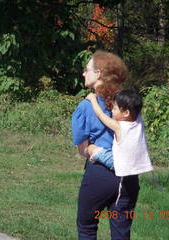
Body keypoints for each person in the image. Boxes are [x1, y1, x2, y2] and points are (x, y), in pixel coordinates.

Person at [72, 50, 140, 240]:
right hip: (129, 176)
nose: (83, 73)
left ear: (99, 73)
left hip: (100, 176)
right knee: (121, 232)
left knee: (87, 227)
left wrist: (93, 149)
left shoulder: (85, 106)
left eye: (87, 70)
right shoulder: (128, 105)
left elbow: (83, 150)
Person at [85, 89, 153, 178]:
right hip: (136, 163)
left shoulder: (118, 126)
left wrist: (93, 99)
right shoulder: (139, 122)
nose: (112, 110)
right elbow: (135, 107)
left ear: (126, 112)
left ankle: (95, 160)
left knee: (91, 148)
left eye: (115, 108)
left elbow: (101, 115)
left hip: (118, 164)